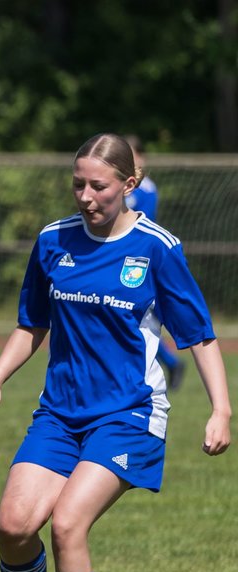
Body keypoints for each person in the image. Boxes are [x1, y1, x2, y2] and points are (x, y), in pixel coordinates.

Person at [0, 132, 231, 572]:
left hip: (130, 414)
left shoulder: (156, 247)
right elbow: (31, 324)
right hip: (60, 414)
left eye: (99, 185)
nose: (86, 195)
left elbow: (200, 336)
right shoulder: (52, 241)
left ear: (128, 186)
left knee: (67, 524)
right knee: (14, 527)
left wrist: (221, 409)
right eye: (78, 184)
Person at [126, 134, 186, 390]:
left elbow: (142, 225)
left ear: (141, 157)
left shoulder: (146, 188)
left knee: (140, 315)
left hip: (138, 259)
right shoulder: (117, 184)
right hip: (122, 257)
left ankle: (171, 361)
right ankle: (171, 362)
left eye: (131, 154)